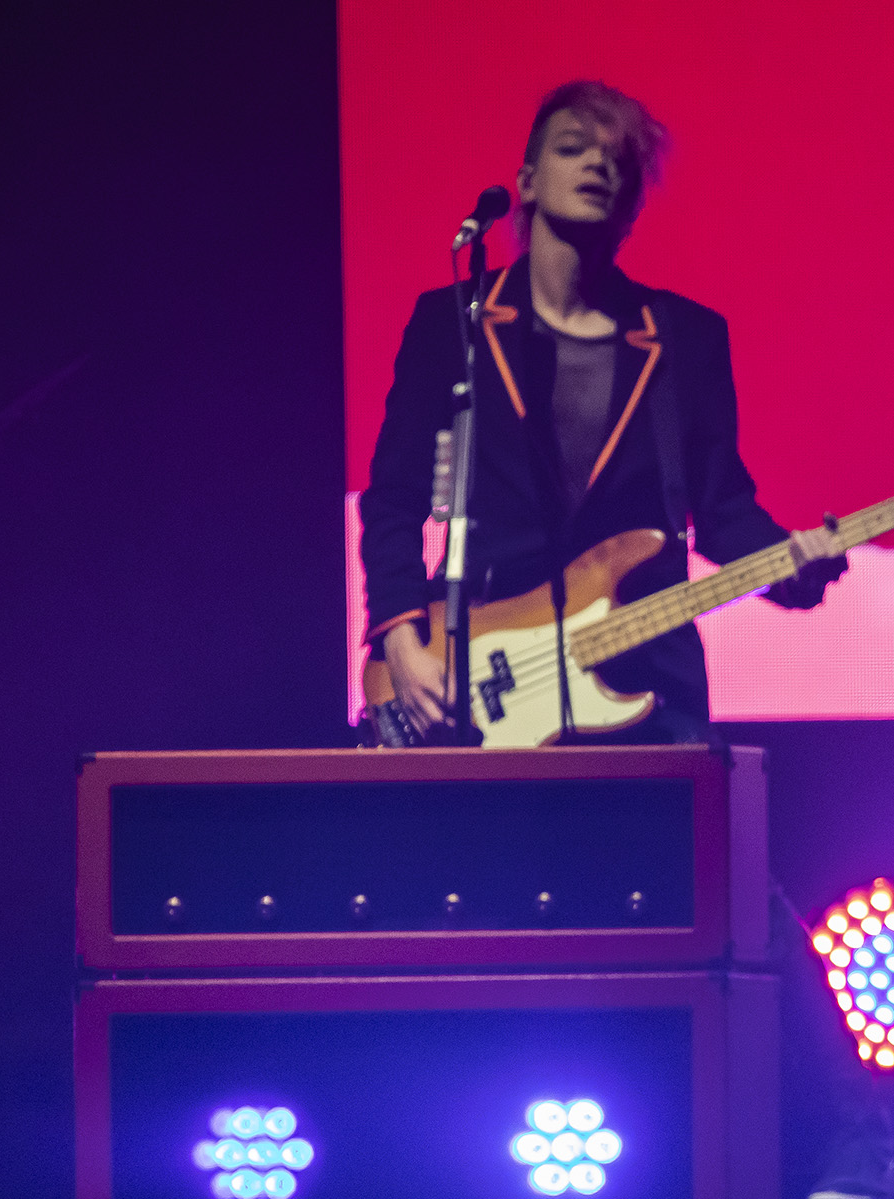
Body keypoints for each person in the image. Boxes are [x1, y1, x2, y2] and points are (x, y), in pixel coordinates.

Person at [358, 80, 844, 743]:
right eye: (573, 148)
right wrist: (401, 640)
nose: (597, 164)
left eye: (618, 159)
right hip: (485, 676)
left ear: (633, 201)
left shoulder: (686, 338)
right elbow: (395, 497)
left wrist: (792, 567)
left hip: (647, 680)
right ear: (527, 182)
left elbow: (722, 509)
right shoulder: (455, 323)